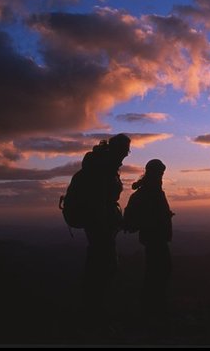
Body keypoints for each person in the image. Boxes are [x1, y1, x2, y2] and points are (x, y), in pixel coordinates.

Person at [81, 133, 131, 322]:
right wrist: (105, 224)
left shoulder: (104, 165)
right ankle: (94, 313)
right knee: (103, 267)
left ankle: (93, 310)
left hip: (102, 225)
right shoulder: (104, 167)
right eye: (126, 151)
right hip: (100, 226)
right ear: (118, 149)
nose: (126, 155)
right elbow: (100, 201)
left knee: (99, 266)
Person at [124, 159, 174, 316]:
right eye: (160, 173)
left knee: (157, 273)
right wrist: (158, 219)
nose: (161, 176)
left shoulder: (151, 191)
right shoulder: (149, 193)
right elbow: (138, 220)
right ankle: (154, 311)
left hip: (155, 239)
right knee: (158, 274)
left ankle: (152, 310)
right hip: (155, 240)